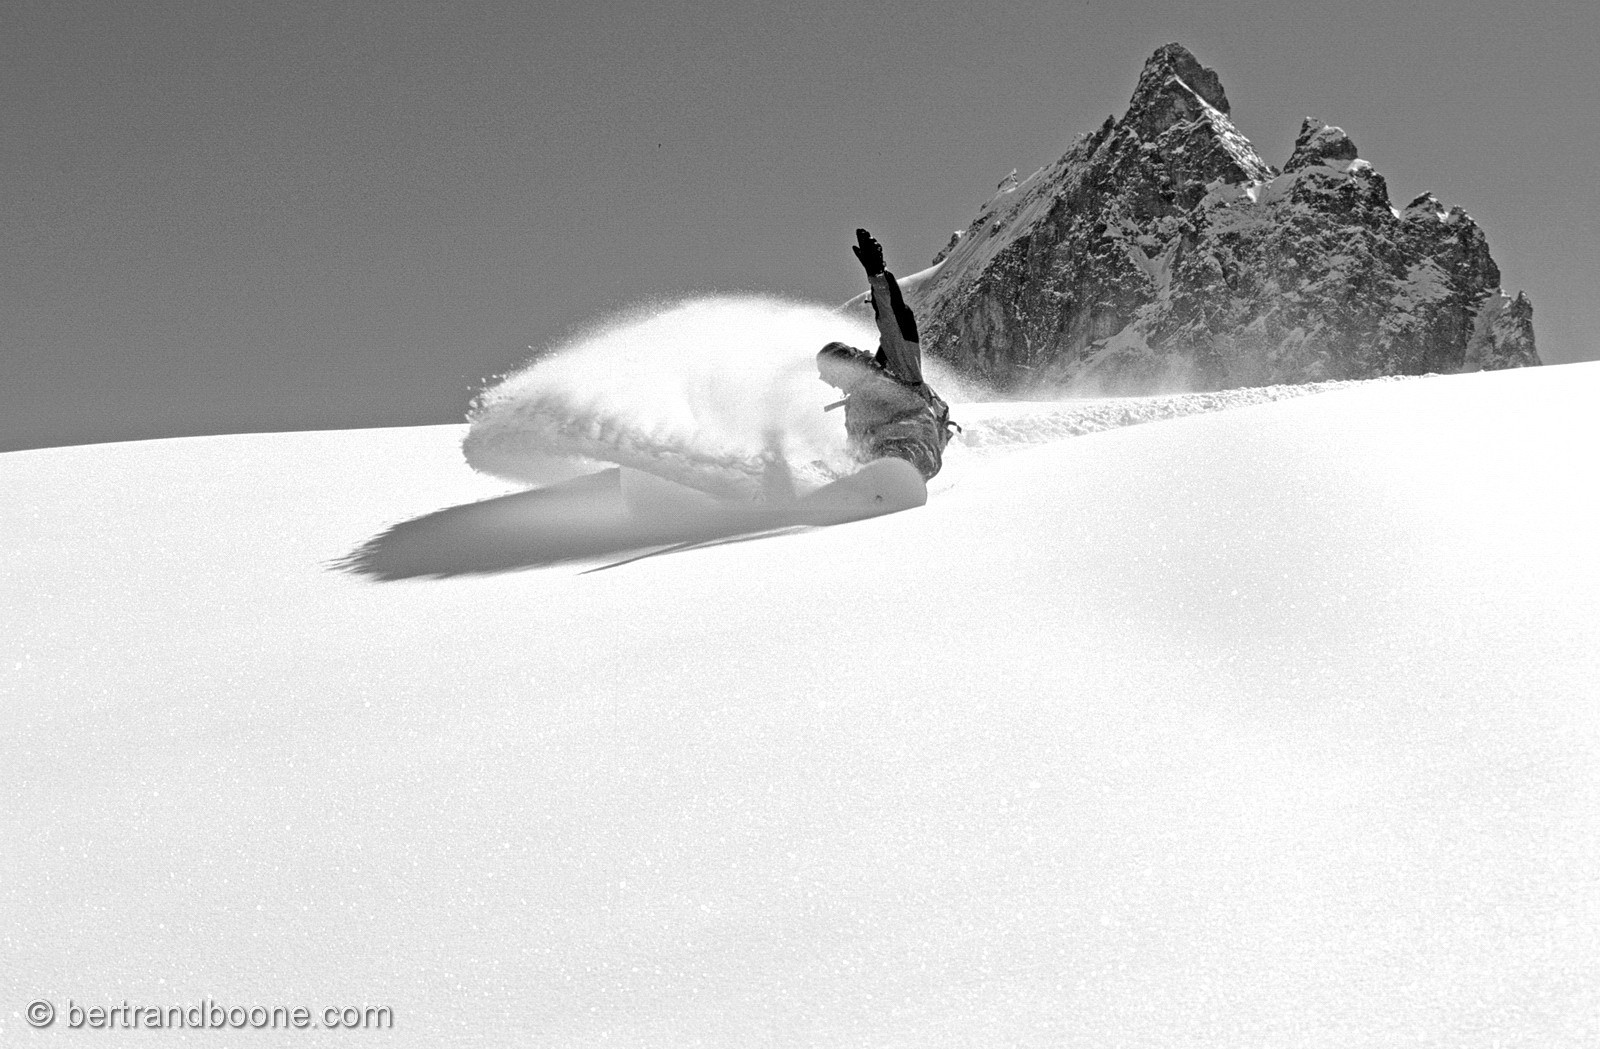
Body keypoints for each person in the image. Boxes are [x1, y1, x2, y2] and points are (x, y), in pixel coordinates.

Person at [817, 229, 957, 480]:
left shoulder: (893, 366)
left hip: (915, 444)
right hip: (883, 460)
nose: (834, 384)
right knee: (851, 465)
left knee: (891, 453)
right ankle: (875, 486)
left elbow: (895, 320)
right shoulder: (855, 406)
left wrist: (878, 276)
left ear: (846, 363)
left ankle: (891, 476)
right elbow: (857, 449)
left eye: (831, 375)